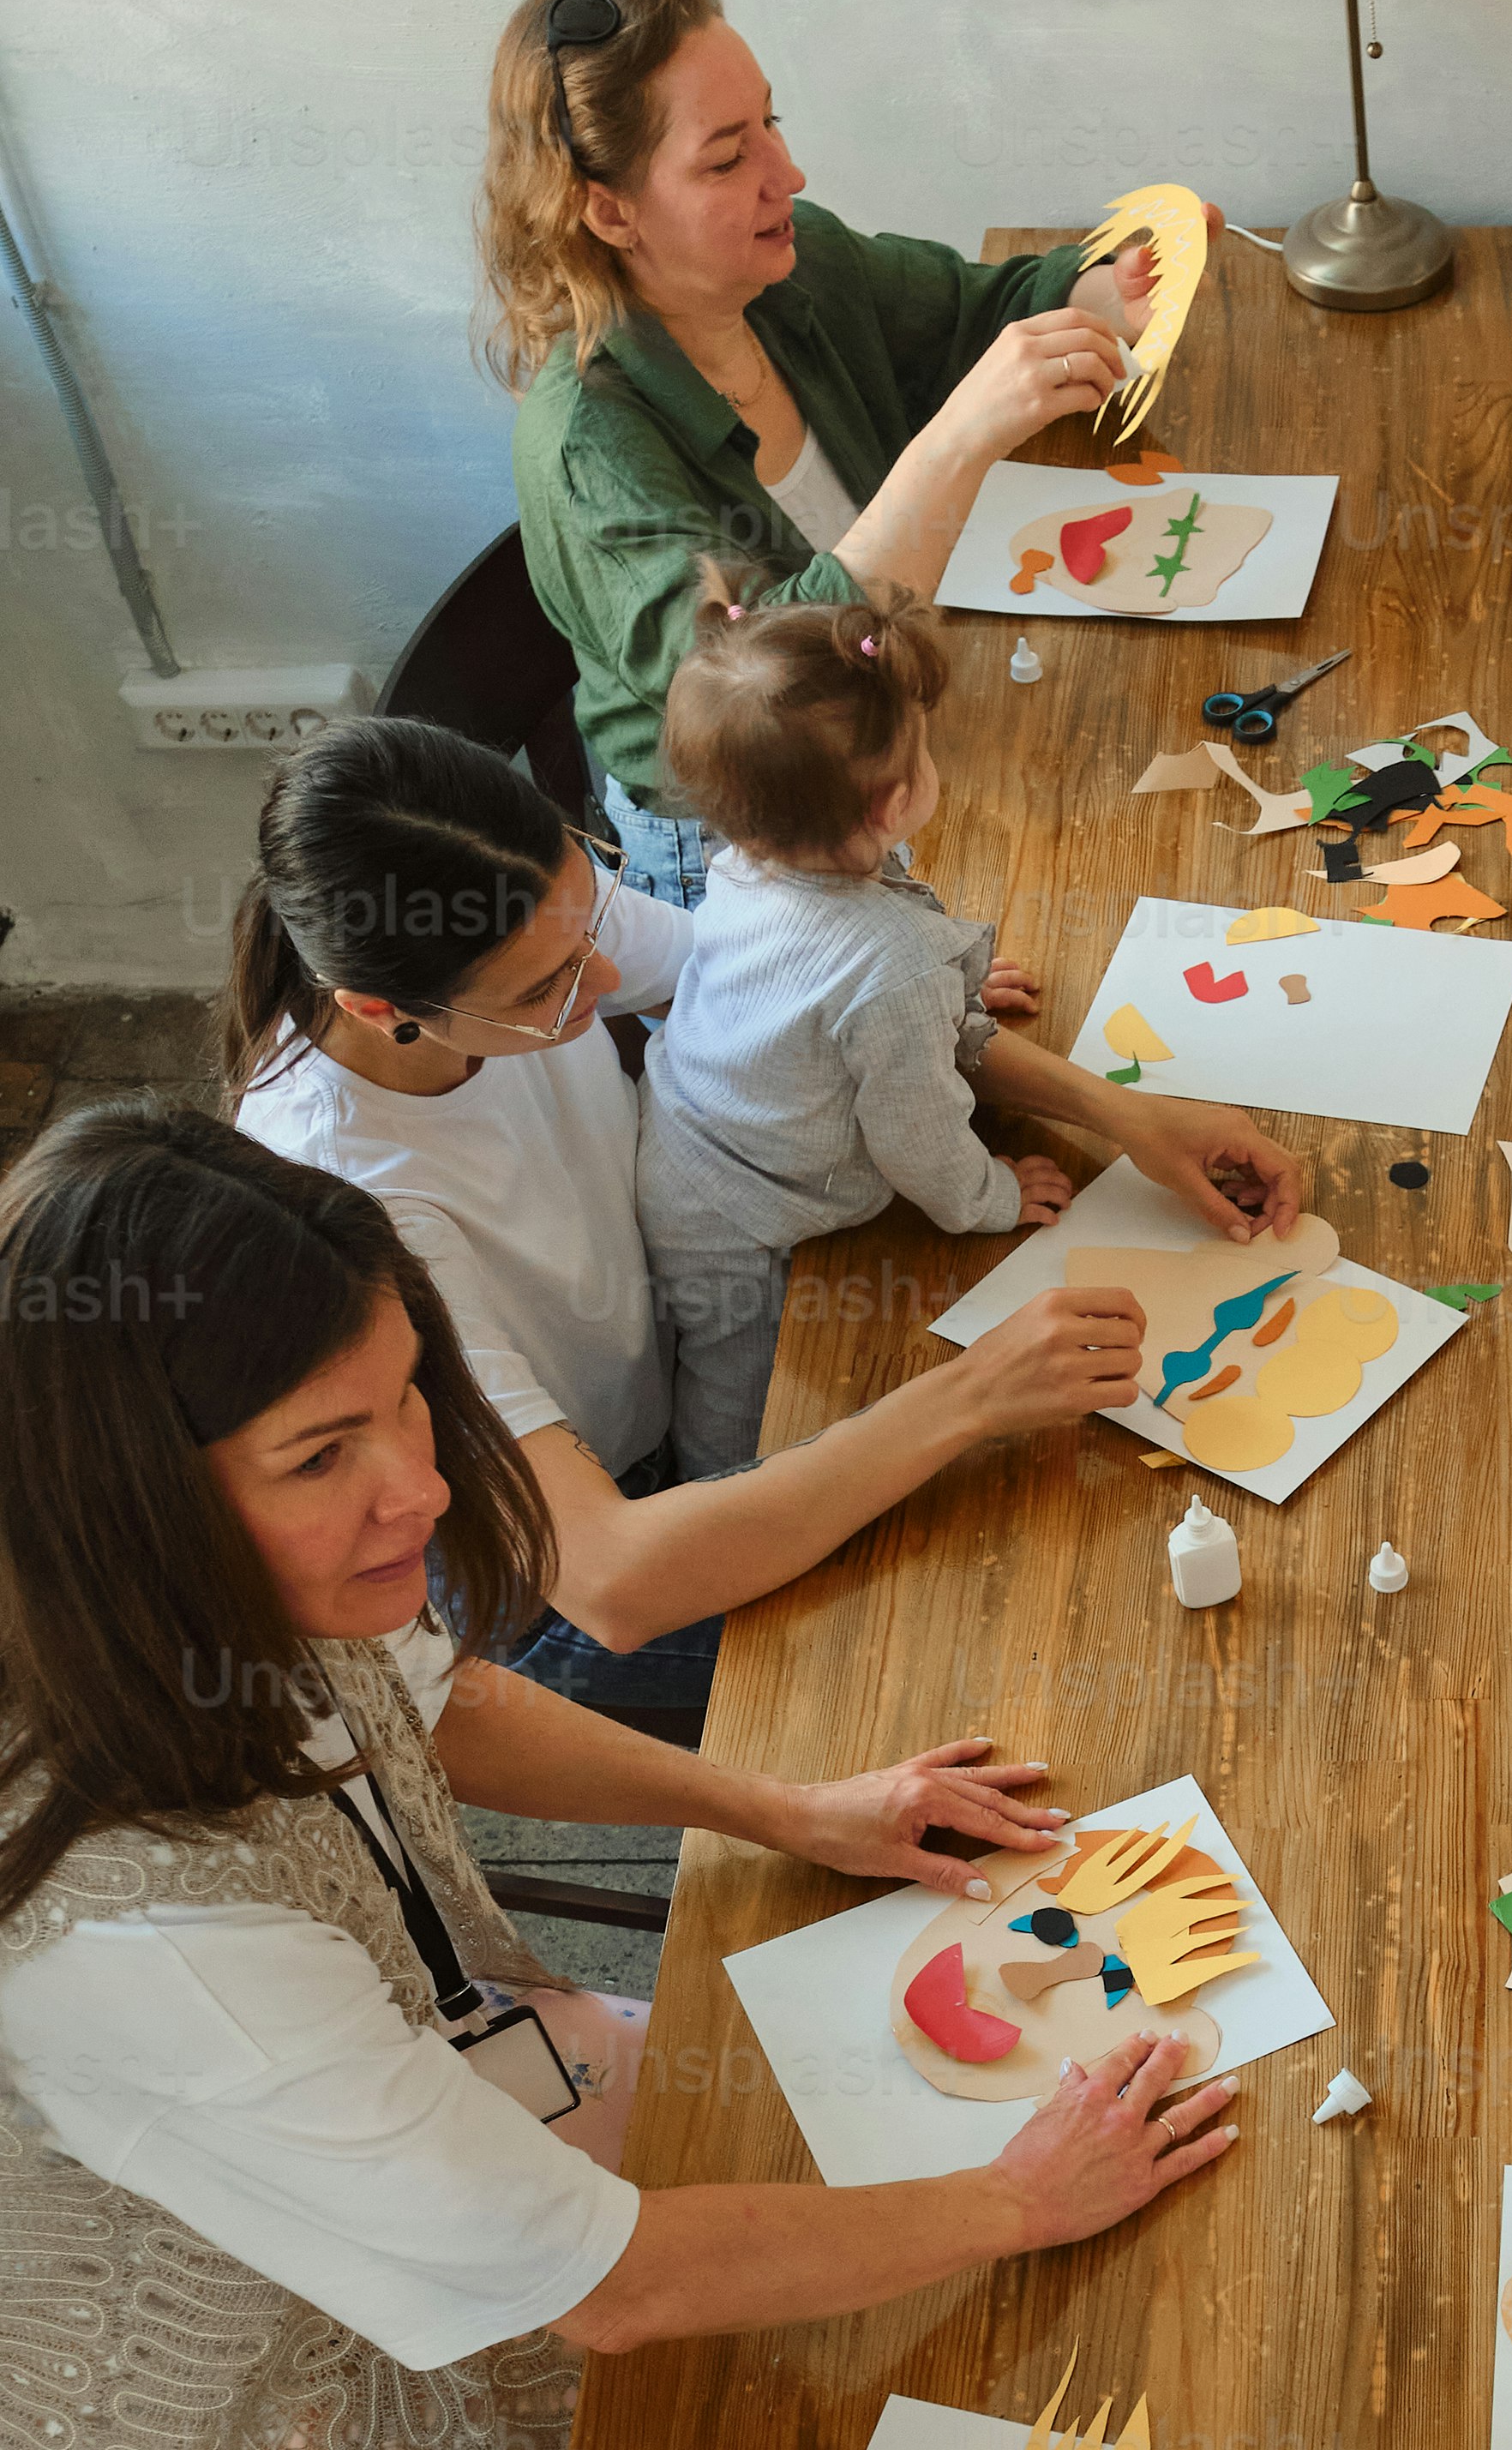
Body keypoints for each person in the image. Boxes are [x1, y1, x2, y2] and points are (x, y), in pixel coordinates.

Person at [0, 1115, 1235, 2450]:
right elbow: (612, 2290)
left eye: (404, 1406)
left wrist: (790, 1811)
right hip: (256, 2367)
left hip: (444, 2064)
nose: (424, 1490)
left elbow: (440, 1701)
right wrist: (1011, 2201)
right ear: (120, 1507)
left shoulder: (209, 1580)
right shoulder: (155, 1947)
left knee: (835, 2144)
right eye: (325, 1455)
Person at [227, 715, 1295, 1716]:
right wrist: (971, 1394)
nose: (603, 976)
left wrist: (1119, 1112)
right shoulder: (353, 1196)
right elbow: (612, 1579)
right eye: (549, 988)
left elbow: (800, 1013)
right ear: (381, 1009)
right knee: (985, 1651)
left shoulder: (521, 932)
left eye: (593, 917)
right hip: (551, 1586)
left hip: (674, 1374)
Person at [477, 0, 1185, 900]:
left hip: (894, 739)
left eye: (770, 121)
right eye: (728, 158)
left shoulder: (789, 263)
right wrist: (957, 441)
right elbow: (777, 698)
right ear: (609, 213)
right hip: (752, 847)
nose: (790, 173)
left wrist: (1103, 295)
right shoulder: (589, 445)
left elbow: (978, 309)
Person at [635, 578, 1096, 1480]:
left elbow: (823, 974)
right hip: (739, 1217)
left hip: (687, 1133)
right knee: (742, 1394)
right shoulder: (889, 972)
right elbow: (919, 1141)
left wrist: (946, 986)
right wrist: (992, 1198)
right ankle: (717, 1508)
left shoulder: (750, 856)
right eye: (924, 751)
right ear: (891, 805)